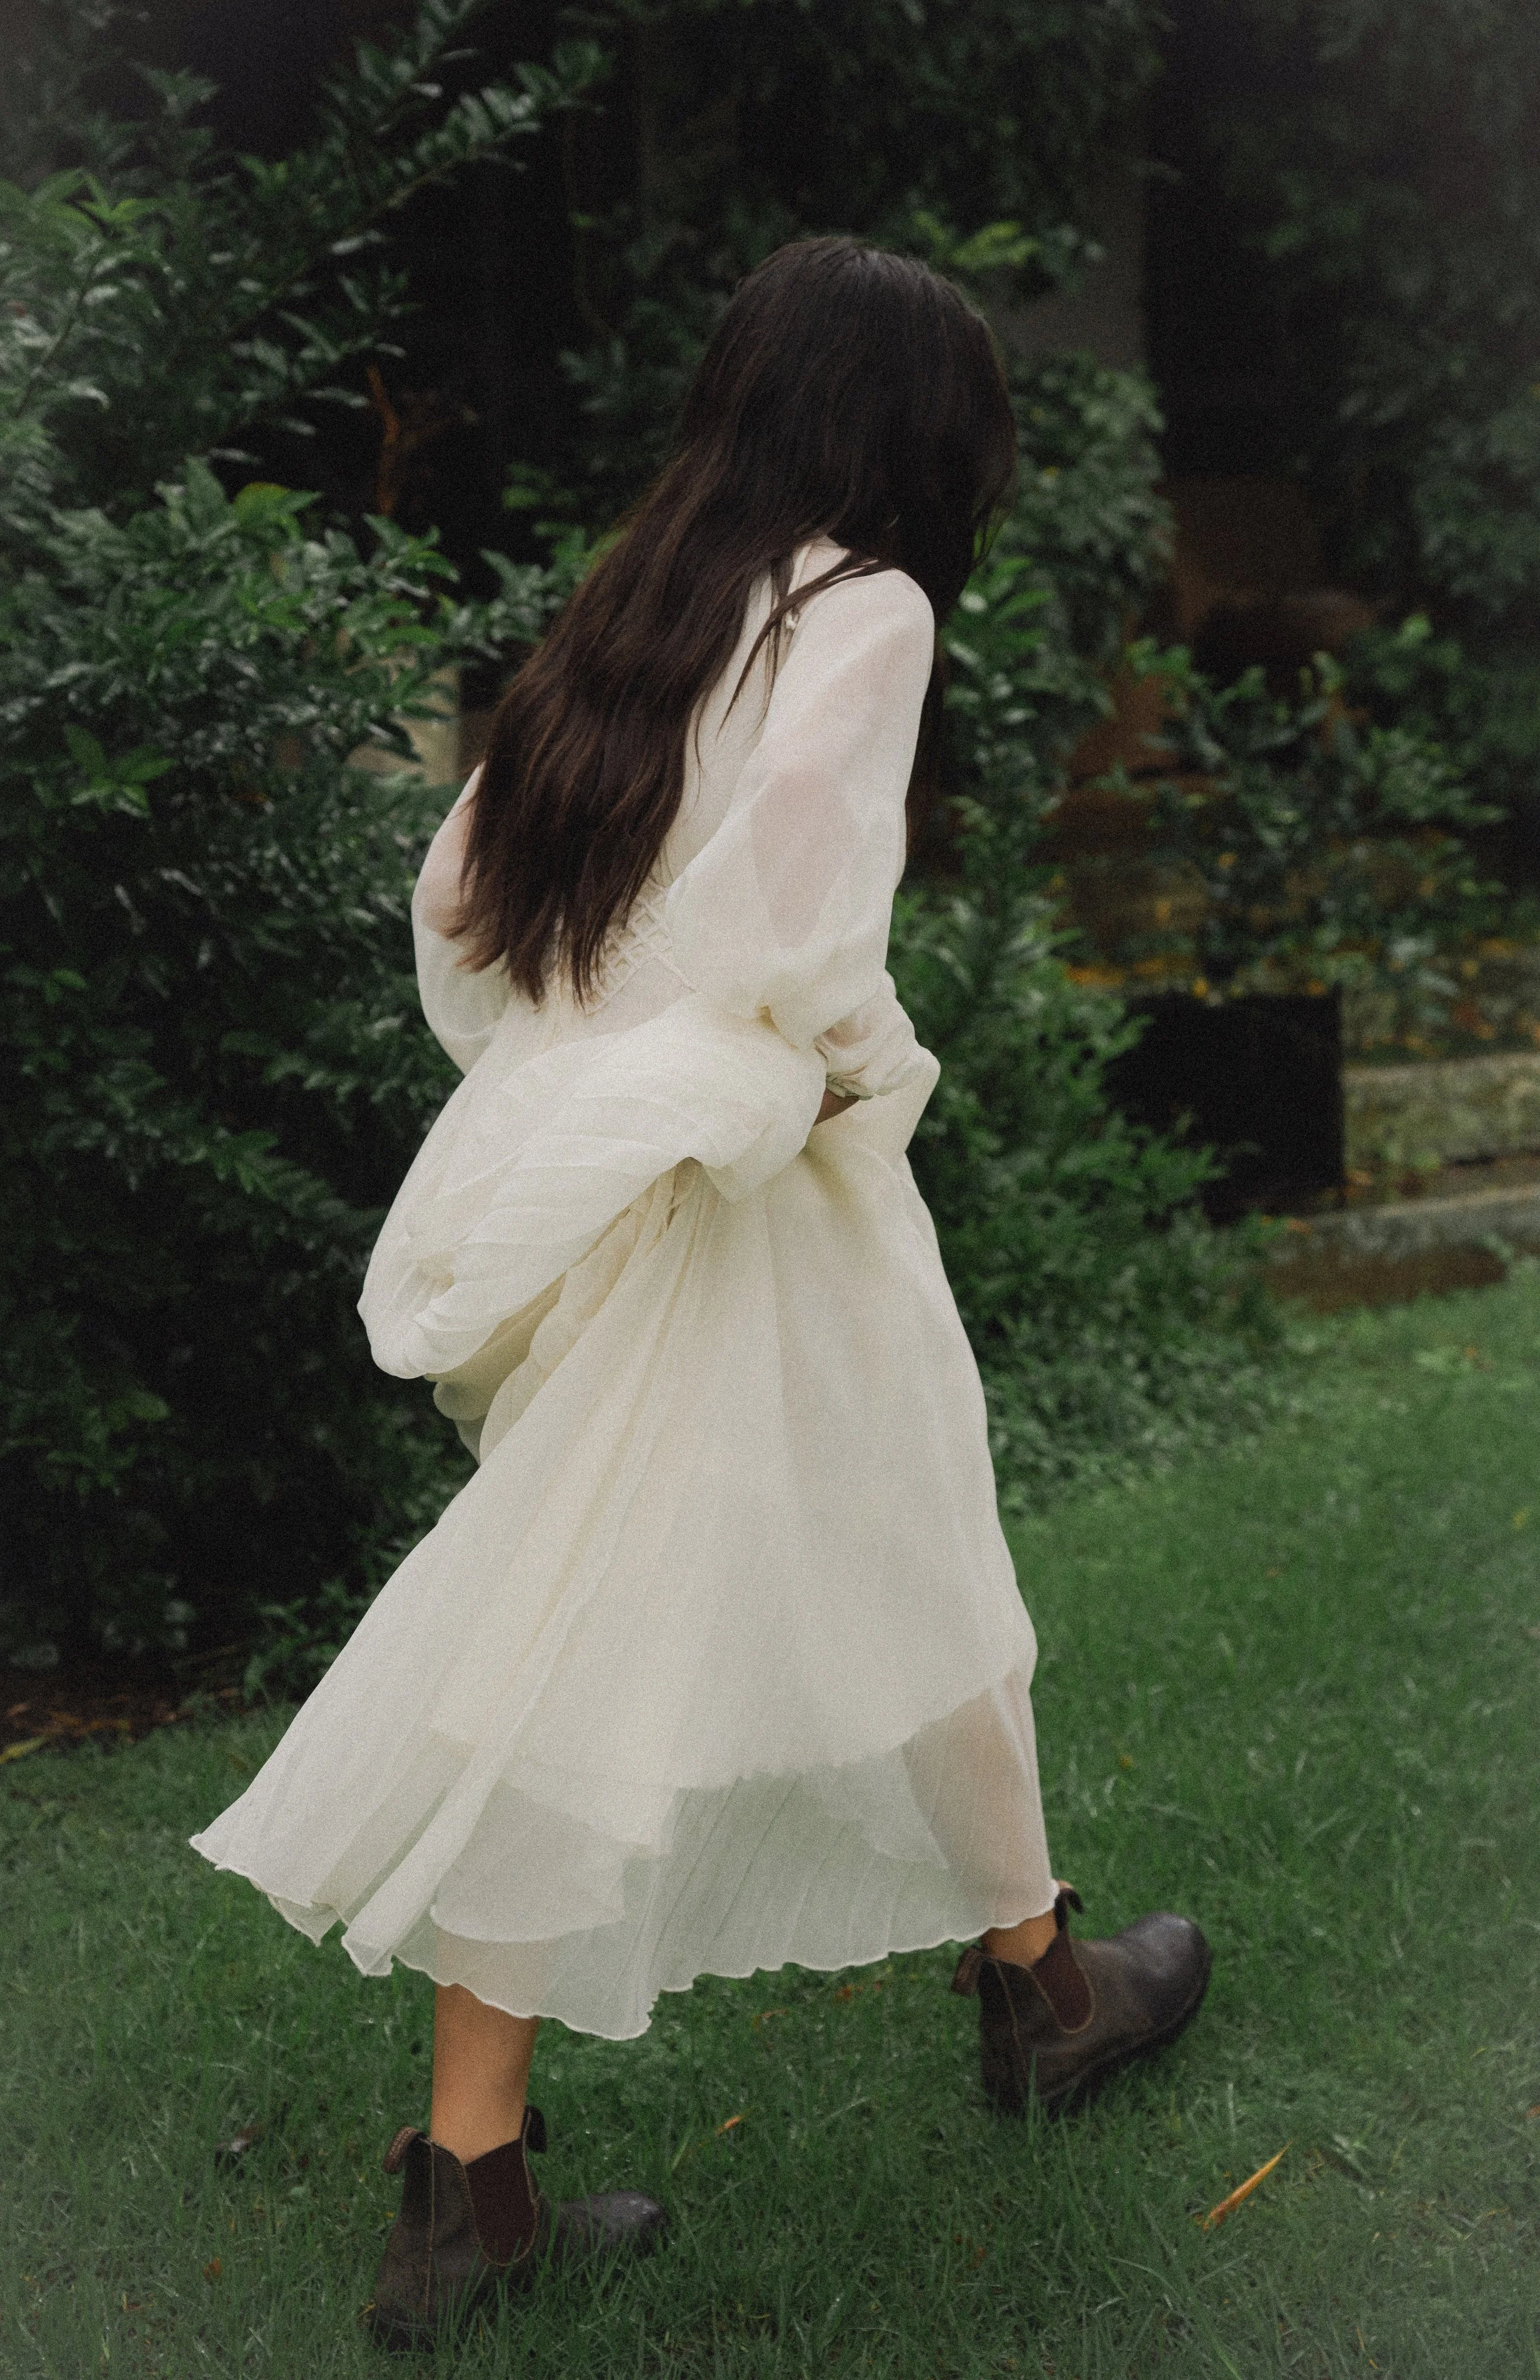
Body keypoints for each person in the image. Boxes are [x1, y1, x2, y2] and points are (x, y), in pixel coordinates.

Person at [192, 235, 1210, 2353]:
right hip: (756, 1175)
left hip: (628, 1171)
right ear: (913, 430)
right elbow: (802, 907)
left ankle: (1002, 1991)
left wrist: (600, 1079)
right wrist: (801, 1064)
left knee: (829, 1553)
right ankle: (986, 2009)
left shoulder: (643, 602)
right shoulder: (866, 608)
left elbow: (464, 899)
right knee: (700, 1600)